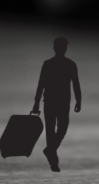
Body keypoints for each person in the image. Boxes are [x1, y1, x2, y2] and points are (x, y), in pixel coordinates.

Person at [32, 37, 81, 172]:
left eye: (64, 46)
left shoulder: (71, 64)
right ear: (55, 48)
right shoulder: (47, 64)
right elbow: (41, 84)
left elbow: (76, 83)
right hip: (50, 102)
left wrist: (79, 100)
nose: (63, 48)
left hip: (64, 102)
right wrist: (36, 103)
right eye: (61, 46)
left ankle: (50, 150)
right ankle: (53, 162)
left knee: (62, 128)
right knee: (50, 130)